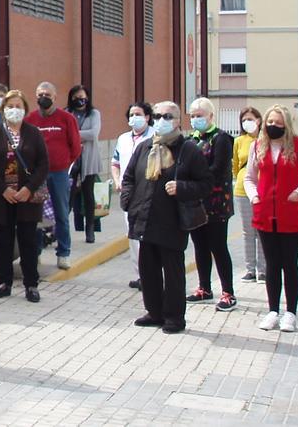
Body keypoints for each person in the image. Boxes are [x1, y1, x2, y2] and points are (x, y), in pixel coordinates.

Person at [121, 101, 211, 334]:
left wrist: (182, 187)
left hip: (172, 221)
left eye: (168, 116)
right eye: (159, 115)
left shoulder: (188, 149)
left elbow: (205, 184)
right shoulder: (145, 147)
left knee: (172, 272)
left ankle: (174, 317)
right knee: (148, 270)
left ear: (178, 121)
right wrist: (128, 201)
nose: (162, 120)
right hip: (145, 217)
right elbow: (129, 176)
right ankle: (155, 311)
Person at [244, 105, 298, 333]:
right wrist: (254, 196)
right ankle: (273, 311)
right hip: (265, 213)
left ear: (286, 125)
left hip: (290, 214)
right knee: (272, 265)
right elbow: (249, 177)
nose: (272, 126)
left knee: (289, 264)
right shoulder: (258, 146)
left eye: (277, 123)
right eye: (269, 122)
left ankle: (291, 313)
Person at [0, 90, 48, 303]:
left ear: (25, 109)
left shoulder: (34, 133)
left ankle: (31, 285)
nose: (14, 110)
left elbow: (43, 164)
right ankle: (4, 282)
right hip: (2, 198)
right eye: (10, 106)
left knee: (28, 242)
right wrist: (3, 189)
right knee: (4, 241)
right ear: (3, 109)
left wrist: (28, 188)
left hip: (26, 198)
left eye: (18, 106)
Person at [185, 97, 236, 311]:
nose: (197, 119)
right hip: (195, 202)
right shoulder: (190, 139)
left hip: (216, 201)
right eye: (194, 116)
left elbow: (218, 167)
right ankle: (204, 288)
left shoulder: (221, 138)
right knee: (200, 246)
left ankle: (228, 293)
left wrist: (196, 180)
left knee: (218, 246)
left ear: (211, 116)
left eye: (201, 115)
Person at [25, 81, 81, 269]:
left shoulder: (67, 118)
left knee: (61, 213)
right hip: (37, 175)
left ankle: (64, 253)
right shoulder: (30, 119)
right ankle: (37, 251)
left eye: (47, 95)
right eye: (40, 94)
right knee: (37, 214)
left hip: (59, 174)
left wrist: (64, 164)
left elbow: (75, 146)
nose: (43, 98)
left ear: (55, 97)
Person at [111, 102, 154, 290]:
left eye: (138, 114)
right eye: (131, 114)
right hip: (129, 194)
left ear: (147, 117)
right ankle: (140, 275)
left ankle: (152, 274)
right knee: (133, 235)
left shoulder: (154, 136)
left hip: (148, 193)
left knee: (148, 236)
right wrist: (117, 180)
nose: (134, 118)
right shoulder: (123, 139)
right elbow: (115, 162)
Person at [232, 106, 265, 283]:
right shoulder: (239, 141)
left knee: (261, 231)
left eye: (251, 119)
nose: (247, 123)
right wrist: (239, 177)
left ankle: (263, 269)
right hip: (242, 190)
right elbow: (235, 165)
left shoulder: (265, 139)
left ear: (259, 121)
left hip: (262, 190)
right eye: (244, 120)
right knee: (248, 232)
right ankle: (250, 269)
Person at [67, 85, 102, 243]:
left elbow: (93, 134)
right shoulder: (67, 112)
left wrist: (73, 135)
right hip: (71, 160)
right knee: (69, 194)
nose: (80, 100)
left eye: (82, 96)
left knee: (88, 194)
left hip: (89, 159)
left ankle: (90, 228)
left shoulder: (94, 113)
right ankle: (59, 228)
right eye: (76, 97)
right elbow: (63, 132)